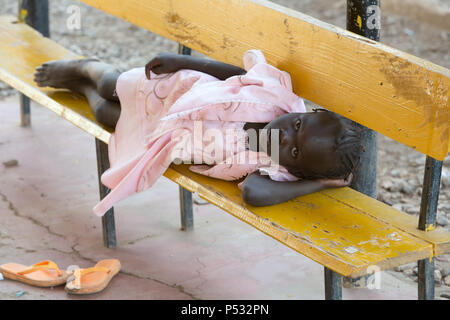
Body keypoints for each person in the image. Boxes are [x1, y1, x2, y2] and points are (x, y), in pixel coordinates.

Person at [34, 50, 361, 216]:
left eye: (294, 150)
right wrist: (181, 60)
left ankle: (80, 88)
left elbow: (253, 195)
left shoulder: (273, 168)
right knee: (110, 85)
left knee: (105, 112)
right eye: (298, 125)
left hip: (168, 134)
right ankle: (86, 68)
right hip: (177, 94)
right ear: (307, 113)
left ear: (298, 169)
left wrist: (316, 184)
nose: (286, 135)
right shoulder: (279, 97)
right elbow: (235, 74)